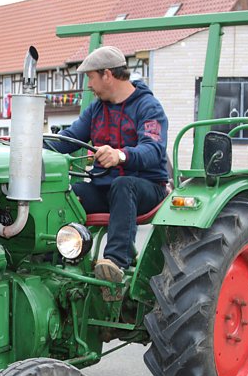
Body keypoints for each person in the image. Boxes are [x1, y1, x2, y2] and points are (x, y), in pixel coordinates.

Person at [49, 45, 168, 294]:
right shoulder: (96, 109)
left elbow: (153, 150)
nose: (89, 85)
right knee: (67, 193)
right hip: (104, 188)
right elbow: (69, 139)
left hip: (145, 189)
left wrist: (121, 155)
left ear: (107, 74)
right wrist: (28, 145)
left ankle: (114, 262)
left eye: (91, 77)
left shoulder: (148, 107)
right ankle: (58, 259)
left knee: (123, 186)